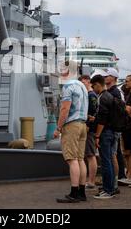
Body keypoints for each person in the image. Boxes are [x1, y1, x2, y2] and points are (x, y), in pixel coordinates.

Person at [54, 61, 88, 203]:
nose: (60, 72)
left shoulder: (68, 86)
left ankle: (73, 194)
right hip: (82, 125)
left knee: (71, 159)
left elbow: (65, 109)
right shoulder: (83, 87)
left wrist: (58, 128)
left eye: (62, 70)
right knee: (80, 159)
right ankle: (81, 192)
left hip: (72, 125)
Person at [91, 74, 116, 199]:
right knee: (109, 161)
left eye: (93, 85)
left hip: (105, 133)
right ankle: (111, 188)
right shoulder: (109, 96)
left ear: (98, 84)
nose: (92, 88)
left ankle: (108, 190)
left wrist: (97, 135)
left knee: (106, 162)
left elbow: (103, 119)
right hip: (111, 132)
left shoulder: (102, 97)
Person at [103, 68, 125, 192]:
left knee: (112, 156)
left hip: (112, 128)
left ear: (114, 78)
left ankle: (113, 184)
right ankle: (113, 182)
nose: (105, 77)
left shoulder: (114, 92)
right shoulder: (113, 91)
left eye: (108, 75)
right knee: (113, 155)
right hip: (114, 127)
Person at [78, 75, 99, 190]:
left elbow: (92, 114)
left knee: (90, 155)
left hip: (89, 129)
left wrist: (87, 125)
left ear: (88, 82)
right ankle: (90, 180)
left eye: (82, 83)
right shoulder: (92, 95)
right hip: (90, 129)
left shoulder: (90, 96)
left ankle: (91, 181)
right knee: (90, 155)